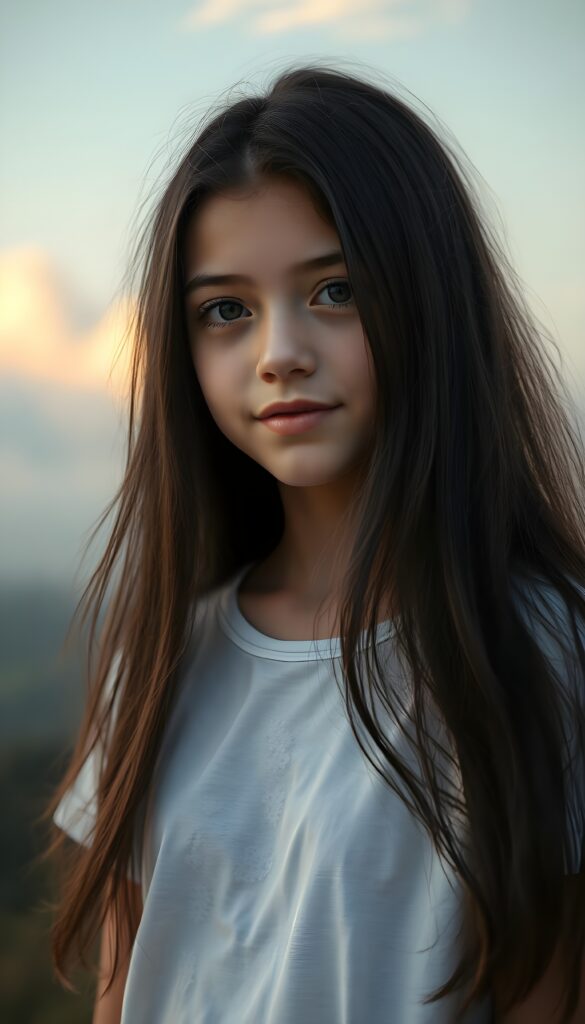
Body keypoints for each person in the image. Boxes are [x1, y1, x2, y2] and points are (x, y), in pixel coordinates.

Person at [39, 61, 585, 1023]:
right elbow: (124, 993)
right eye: (225, 310)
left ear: (428, 299)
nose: (277, 350)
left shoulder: (542, 650)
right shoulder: (162, 653)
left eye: (335, 290)